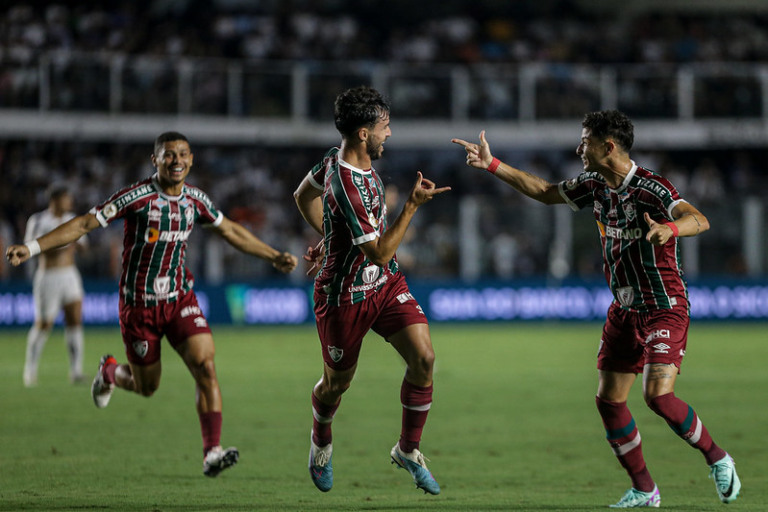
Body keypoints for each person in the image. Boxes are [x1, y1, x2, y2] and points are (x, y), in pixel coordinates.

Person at [452, 110, 740, 508]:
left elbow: (698, 219)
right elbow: (545, 191)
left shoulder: (652, 189)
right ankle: (644, 489)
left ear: (607, 147)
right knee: (608, 400)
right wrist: (493, 165)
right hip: (624, 310)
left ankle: (718, 458)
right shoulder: (593, 184)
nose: (578, 148)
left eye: (584, 141)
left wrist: (669, 229)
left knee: (657, 395)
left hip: (663, 306)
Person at [6, 132, 298, 477]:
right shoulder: (137, 197)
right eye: (169, 155)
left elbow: (231, 231)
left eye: (183, 154)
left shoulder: (196, 200)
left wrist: (273, 256)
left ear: (192, 159)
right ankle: (109, 372)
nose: (177, 161)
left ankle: (212, 451)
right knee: (147, 387)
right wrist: (33, 247)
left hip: (179, 299)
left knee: (205, 365)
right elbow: (86, 223)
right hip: (139, 307)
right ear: (155, 160)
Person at [294, 86, 449, 494]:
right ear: (364, 133)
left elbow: (302, 195)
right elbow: (380, 251)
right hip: (343, 296)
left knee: (424, 357)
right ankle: (321, 440)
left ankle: (408, 450)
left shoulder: (335, 159)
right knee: (336, 385)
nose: (390, 134)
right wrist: (412, 205)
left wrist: (330, 235)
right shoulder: (344, 178)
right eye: (385, 127)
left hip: (384, 284)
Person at [21, 185, 87, 387]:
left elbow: (84, 247)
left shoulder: (73, 219)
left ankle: (76, 371)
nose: (69, 202)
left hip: (70, 275)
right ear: (55, 200)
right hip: (48, 277)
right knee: (44, 324)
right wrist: (57, 244)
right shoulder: (39, 220)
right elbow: (29, 248)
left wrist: (77, 244)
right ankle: (30, 370)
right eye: (66, 198)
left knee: (74, 319)